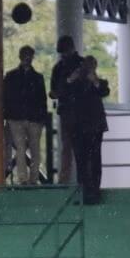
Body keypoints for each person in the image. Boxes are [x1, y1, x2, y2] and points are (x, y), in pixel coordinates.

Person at [60, 55, 109, 204]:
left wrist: (95, 81)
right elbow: (61, 92)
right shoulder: (74, 83)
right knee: (81, 161)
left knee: (95, 160)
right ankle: (84, 192)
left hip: (95, 127)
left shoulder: (100, 82)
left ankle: (95, 191)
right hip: (78, 127)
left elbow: (104, 91)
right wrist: (70, 79)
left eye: (91, 66)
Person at [2, 45, 48, 185]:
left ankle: (32, 179)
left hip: (30, 118)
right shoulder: (13, 76)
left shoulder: (15, 77)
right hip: (18, 118)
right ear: (21, 57)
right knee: (23, 148)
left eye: (29, 56)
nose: (27, 58)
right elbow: (5, 98)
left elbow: (43, 100)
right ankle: (24, 179)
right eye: (25, 55)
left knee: (34, 150)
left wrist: (42, 119)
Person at [49, 36, 83, 183]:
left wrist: (65, 85)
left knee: (70, 148)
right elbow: (54, 91)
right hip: (74, 111)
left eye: (65, 51)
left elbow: (55, 90)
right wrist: (68, 82)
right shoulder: (80, 64)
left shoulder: (59, 67)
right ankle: (79, 180)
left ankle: (68, 179)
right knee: (72, 147)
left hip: (72, 110)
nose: (64, 55)